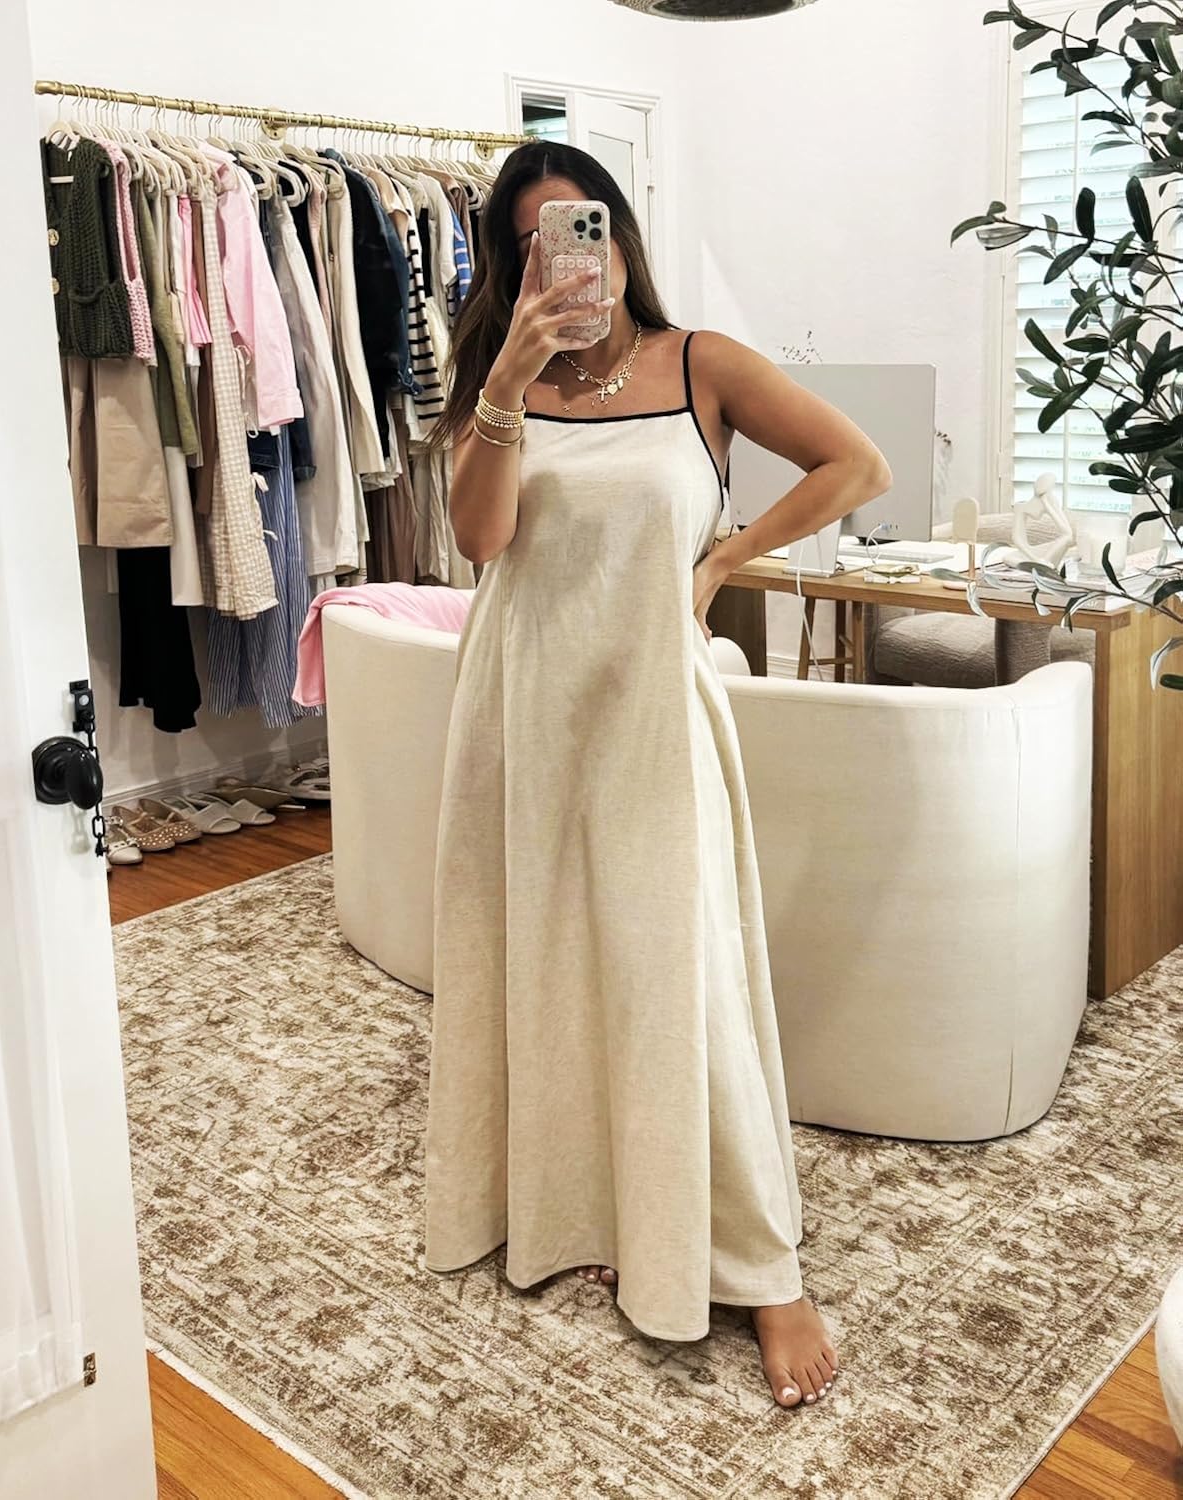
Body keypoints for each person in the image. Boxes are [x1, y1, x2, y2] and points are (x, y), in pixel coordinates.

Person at [423, 141, 891, 1411]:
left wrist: (724, 560)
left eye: (582, 227)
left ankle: (762, 1266)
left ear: (620, 236)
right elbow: (481, 537)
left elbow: (858, 466)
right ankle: (576, 1203)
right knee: (542, 956)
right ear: (513, 264)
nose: (567, 260)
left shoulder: (701, 365)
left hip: (651, 709)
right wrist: (507, 378)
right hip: (520, 704)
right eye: (535, 242)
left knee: (680, 972)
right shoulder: (497, 378)